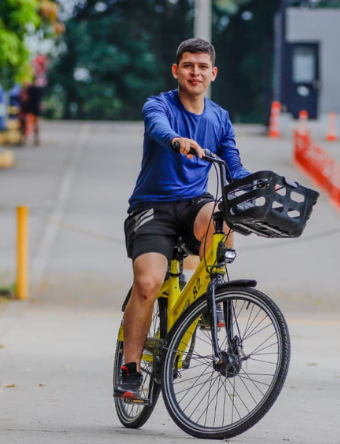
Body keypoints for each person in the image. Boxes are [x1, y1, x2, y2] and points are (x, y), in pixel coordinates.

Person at [115, 38, 251, 398]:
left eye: (202, 66)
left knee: (224, 212)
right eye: (188, 66)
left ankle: (212, 299)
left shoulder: (219, 118)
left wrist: (259, 187)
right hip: (152, 208)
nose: (195, 72)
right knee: (148, 284)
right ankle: (130, 370)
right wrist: (177, 140)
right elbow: (158, 128)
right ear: (176, 71)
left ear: (213, 74)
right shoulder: (158, 105)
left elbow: (234, 167)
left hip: (194, 205)